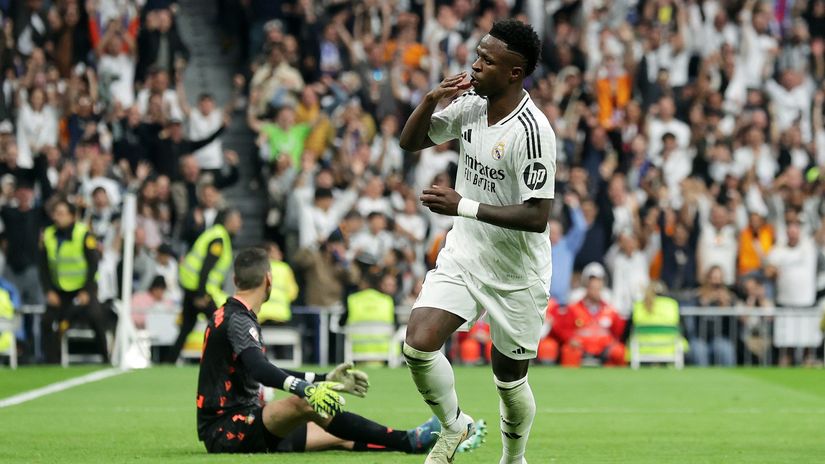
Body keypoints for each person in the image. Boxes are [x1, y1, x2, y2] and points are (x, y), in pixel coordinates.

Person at [399, 19, 554, 464]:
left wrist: (461, 205)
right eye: (478, 54)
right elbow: (410, 142)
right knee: (418, 342)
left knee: (508, 380)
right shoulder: (469, 106)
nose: (475, 65)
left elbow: (537, 216)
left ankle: (513, 457)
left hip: (517, 271)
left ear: (515, 72)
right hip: (467, 253)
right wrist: (431, 99)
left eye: (488, 60)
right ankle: (454, 424)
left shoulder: (533, 131)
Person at [196, 247, 453, 455]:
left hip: (245, 423)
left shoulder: (230, 315)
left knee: (335, 436)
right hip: (229, 430)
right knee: (305, 403)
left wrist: (324, 379)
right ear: (268, 279)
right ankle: (408, 441)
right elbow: (260, 369)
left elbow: (263, 369)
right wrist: (305, 389)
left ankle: (409, 441)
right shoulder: (238, 320)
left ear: (235, 280)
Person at [39, 198, 110, 363]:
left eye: (62, 213)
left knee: (96, 316)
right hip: (59, 291)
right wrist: (48, 291)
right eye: (56, 214)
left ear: (72, 216)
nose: (57, 217)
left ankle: (106, 358)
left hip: (82, 289)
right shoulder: (48, 235)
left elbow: (93, 265)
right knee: (46, 321)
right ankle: (51, 362)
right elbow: (43, 267)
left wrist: (87, 291)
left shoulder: (83, 233)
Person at [166, 209, 242, 363]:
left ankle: (168, 360)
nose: (240, 224)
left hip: (192, 286)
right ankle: (233, 361)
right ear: (229, 221)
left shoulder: (216, 234)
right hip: (198, 289)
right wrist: (201, 295)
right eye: (238, 220)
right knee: (220, 324)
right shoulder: (219, 239)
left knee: (187, 326)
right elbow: (206, 267)